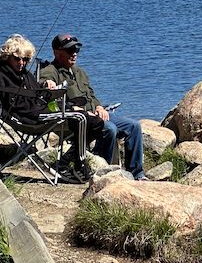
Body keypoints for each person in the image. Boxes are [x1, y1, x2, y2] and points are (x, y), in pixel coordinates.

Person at [40, 34, 146, 180]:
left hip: (95, 114)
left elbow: (91, 95)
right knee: (109, 128)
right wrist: (47, 85)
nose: (74, 53)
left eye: (76, 49)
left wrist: (99, 107)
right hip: (77, 119)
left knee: (134, 126)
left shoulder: (80, 72)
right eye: (70, 50)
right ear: (56, 53)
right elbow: (45, 87)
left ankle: (137, 174)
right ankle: (104, 173)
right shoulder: (50, 71)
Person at [0, 34, 95, 181]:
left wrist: (47, 88)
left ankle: (64, 162)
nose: (21, 63)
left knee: (95, 122)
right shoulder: (2, 74)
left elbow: (38, 93)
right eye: (17, 58)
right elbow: (19, 100)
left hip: (39, 111)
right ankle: (78, 165)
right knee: (81, 118)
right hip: (27, 118)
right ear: (8, 56)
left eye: (25, 59)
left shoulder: (25, 74)